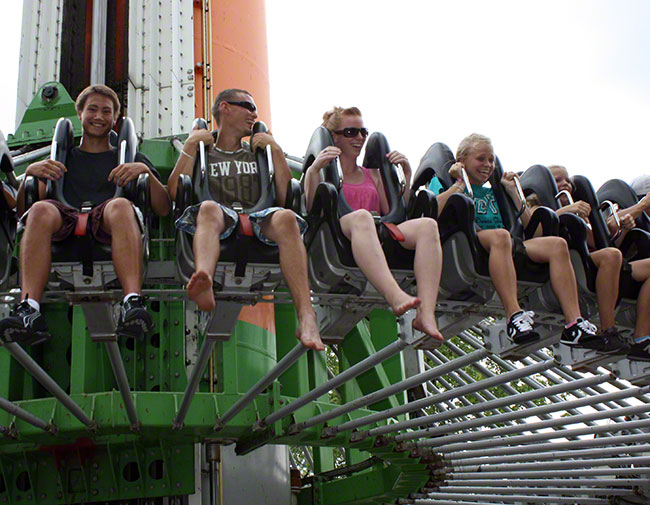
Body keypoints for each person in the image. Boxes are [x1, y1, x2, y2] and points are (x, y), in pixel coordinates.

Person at [0, 84, 171, 345]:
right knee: (41, 209)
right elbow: (25, 211)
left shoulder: (130, 160)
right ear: (79, 113)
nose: (99, 117)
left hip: (108, 220)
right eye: (92, 109)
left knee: (120, 206)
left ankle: (132, 301)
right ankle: (28, 308)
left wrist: (144, 173)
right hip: (65, 220)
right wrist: (31, 174)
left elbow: (163, 207)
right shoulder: (63, 160)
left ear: (115, 118)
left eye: (106, 111)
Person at [428, 134, 627, 353]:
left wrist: (513, 192)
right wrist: (459, 183)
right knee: (501, 236)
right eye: (480, 159)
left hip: (506, 243)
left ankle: (574, 323)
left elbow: (536, 229)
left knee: (557, 245)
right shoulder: (445, 183)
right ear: (462, 160)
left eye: (491, 160)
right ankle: (514, 314)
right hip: (468, 240)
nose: (487, 165)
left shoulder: (495, 192)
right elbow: (431, 211)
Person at [167, 88, 325, 352]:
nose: (254, 114)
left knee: (286, 218)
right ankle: (203, 276)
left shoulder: (256, 153)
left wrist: (275, 150)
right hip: (218, 214)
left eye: (255, 110)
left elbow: (287, 196)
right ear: (225, 108)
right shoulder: (204, 151)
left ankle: (307, 315)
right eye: (247, 107)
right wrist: (190, 145)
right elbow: (174, 191)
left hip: (258, 215)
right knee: (207, 208)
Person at [303, 106, 444, 343]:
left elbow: (398, 212)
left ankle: (426, 313)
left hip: (379, 229)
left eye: (362, 132)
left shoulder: (373, 175)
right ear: (334, 136)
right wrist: (315, 168)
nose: (358, 138)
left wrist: (407, 177)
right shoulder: (320, 171)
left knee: (428, 225)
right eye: (350, 132)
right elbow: (312, 207)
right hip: (342, 231)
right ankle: (394, 295)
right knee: (362, 217)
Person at [540, 165, 649, 361]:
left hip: (593, 262)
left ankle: (642, 337)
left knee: (613, 255)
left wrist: (623, 229)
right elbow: (534, 228)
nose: (565, 184)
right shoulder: (540, 206)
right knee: (611, 256)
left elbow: (599, 240)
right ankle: (608, 329)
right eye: (557, 180)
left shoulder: (582, 213)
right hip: (566, 263)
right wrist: (566, 211)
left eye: (567, 181)